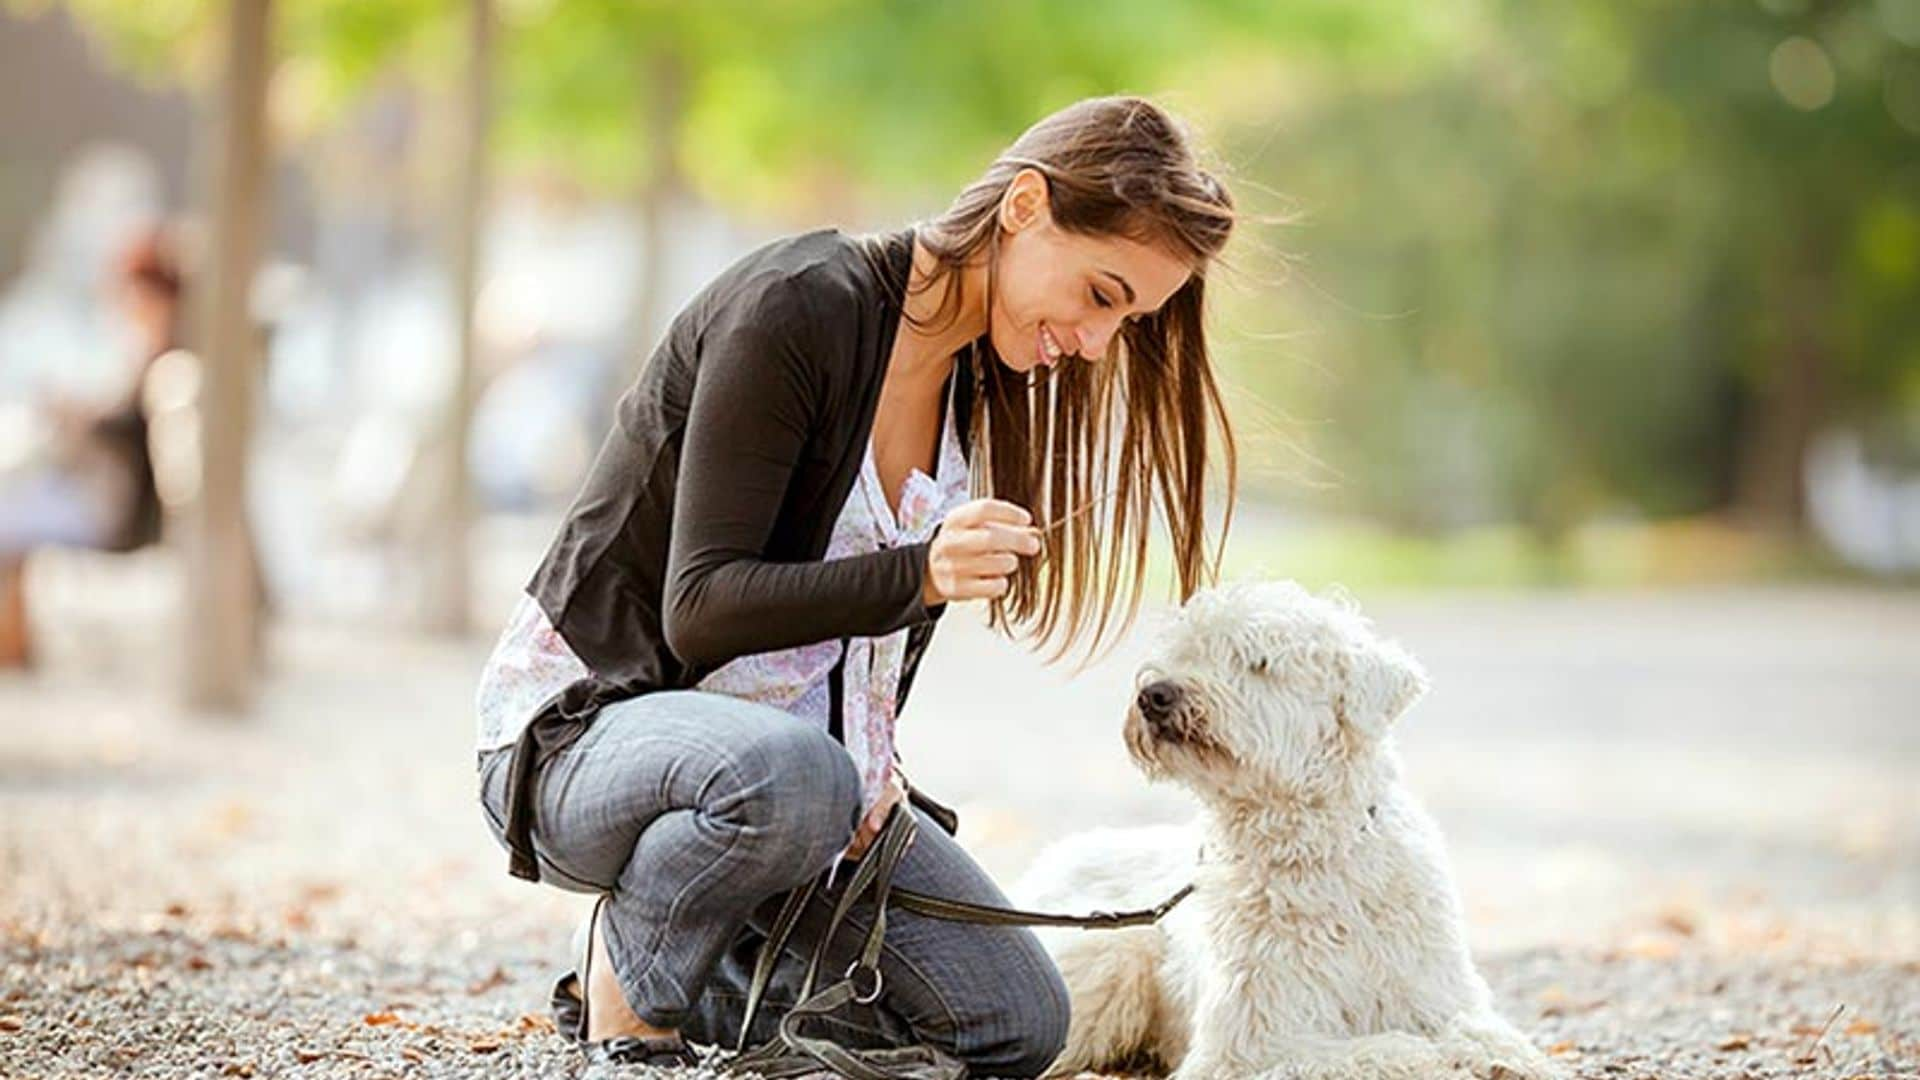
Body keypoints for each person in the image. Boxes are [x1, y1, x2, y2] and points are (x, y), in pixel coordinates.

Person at [473, 95, 1238, 1076]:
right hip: (589, 737)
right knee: (797, 778)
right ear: (1025, 208)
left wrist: (873, 784)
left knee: (1019, 1023)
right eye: (1101, 294)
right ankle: (629, 993)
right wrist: (916, 574)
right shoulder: (802, 304)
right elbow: (701, 606)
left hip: (796, 788)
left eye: (1125, 319)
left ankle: (709, 968)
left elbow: (859, 661)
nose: (1095, 342)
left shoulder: (977, 382)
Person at [0, 227, 175, 668]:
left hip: (118, 511)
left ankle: (13, 647)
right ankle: (14, 643)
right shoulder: (155, 355)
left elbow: (126, 433)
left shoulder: (163, 360)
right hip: (113, 500)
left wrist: (76, 417)